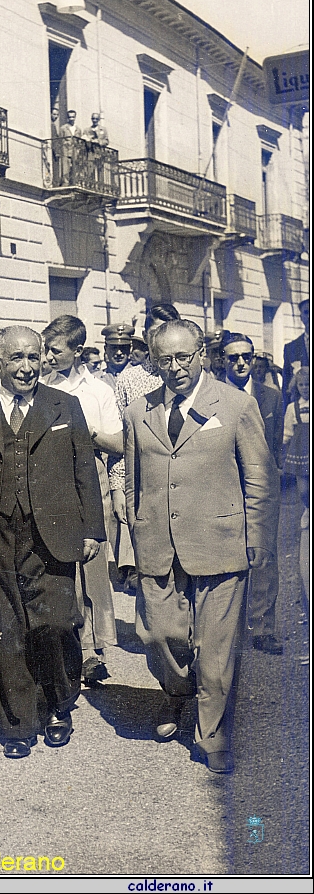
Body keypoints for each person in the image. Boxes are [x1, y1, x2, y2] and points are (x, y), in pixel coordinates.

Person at [0, 326, 105, 759]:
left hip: (54, 533)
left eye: (34, 357)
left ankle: (59, 705)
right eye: (17, 359)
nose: (27, 367)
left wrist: (92, 530)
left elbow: (85, 470)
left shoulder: (65, 405)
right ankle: (20, 722)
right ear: (0, 360)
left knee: (56, 624)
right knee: (7, 630)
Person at [124, 319, 279, 774]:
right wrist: (135, 543)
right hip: (158, 545)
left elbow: (259, 478)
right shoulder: (138, 411)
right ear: (153, 361)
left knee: (215, 650)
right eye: (164, 359)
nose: (175, 368)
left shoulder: (235, 404)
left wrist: (259, 539)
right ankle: (176, 693)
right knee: (158, 635)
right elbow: (133, 485)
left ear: (201, 356)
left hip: (221, 544)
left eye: (183, 357)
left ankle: (212, 733)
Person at [42, 315, 123, 684]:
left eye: (56, 350)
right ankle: (66, 645)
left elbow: (120, 443)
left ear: (77, 351)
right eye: (47, 349)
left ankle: (93, 649)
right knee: (57, 564)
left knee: (92, 568)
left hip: (92, 479)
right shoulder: (40, 384)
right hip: (52, 482)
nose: (48, 356)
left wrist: (84, 432)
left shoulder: (99, 391)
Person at [109, 303, 181, 593]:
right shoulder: (129, 379)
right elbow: (121, 441)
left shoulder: (191, 375)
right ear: (145, 334)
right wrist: (117, 489)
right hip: (145, 488)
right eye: (155, 331)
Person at [222, 332, 284, 655]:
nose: (242, 363)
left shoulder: (271, 397)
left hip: (263, 485)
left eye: (247, 356)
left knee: (265, 554)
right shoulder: (214, 396)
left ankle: (263, 626)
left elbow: (274, 445)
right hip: (226, 486)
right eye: (234, 358)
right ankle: (229, 627)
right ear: (223, 361)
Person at [282, 367, 309, 612]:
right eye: (301, 386)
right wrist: (283, 445)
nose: (305, 389)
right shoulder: (293, 408)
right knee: (303, 488)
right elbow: (287, 432)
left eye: (308, 385)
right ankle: (307, 508)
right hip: (301, 451)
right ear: (296, 387)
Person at [283, 299, 309, 403]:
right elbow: (286, 383)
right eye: (307, 312)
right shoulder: (291, 348)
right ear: (301, 317)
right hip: (299, 408)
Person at [99, 322, 133, 391]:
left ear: (130, 349)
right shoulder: (96, 378)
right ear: (105, 349)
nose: (119, 353)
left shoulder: (139, 376)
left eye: (123, 347)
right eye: (113, 348)